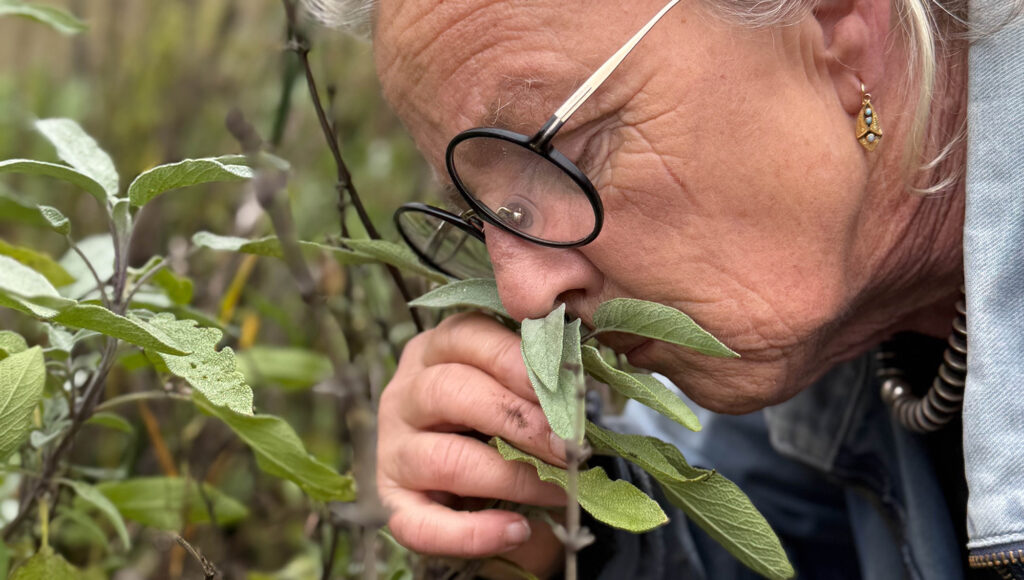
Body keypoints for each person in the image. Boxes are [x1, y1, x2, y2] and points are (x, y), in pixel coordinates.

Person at [307, 0, 1024, 577]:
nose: (523, 294)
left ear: (834, 28)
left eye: (562, 157)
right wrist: (563, 526)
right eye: (487, 216)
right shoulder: (836, 352)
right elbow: (784, 546)